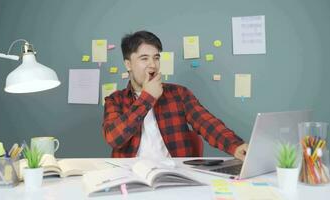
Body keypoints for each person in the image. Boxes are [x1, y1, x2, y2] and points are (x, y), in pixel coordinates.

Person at [103, 30, 248, 160]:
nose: (152, 65)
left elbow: (206, 123)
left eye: (156, 58)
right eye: (144, 58)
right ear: (128, 65)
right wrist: (147, 98)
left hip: (174, 174)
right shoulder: (115, 100)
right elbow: (114, 139)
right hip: (130, 175)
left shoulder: (179, 94)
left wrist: (235, 146)